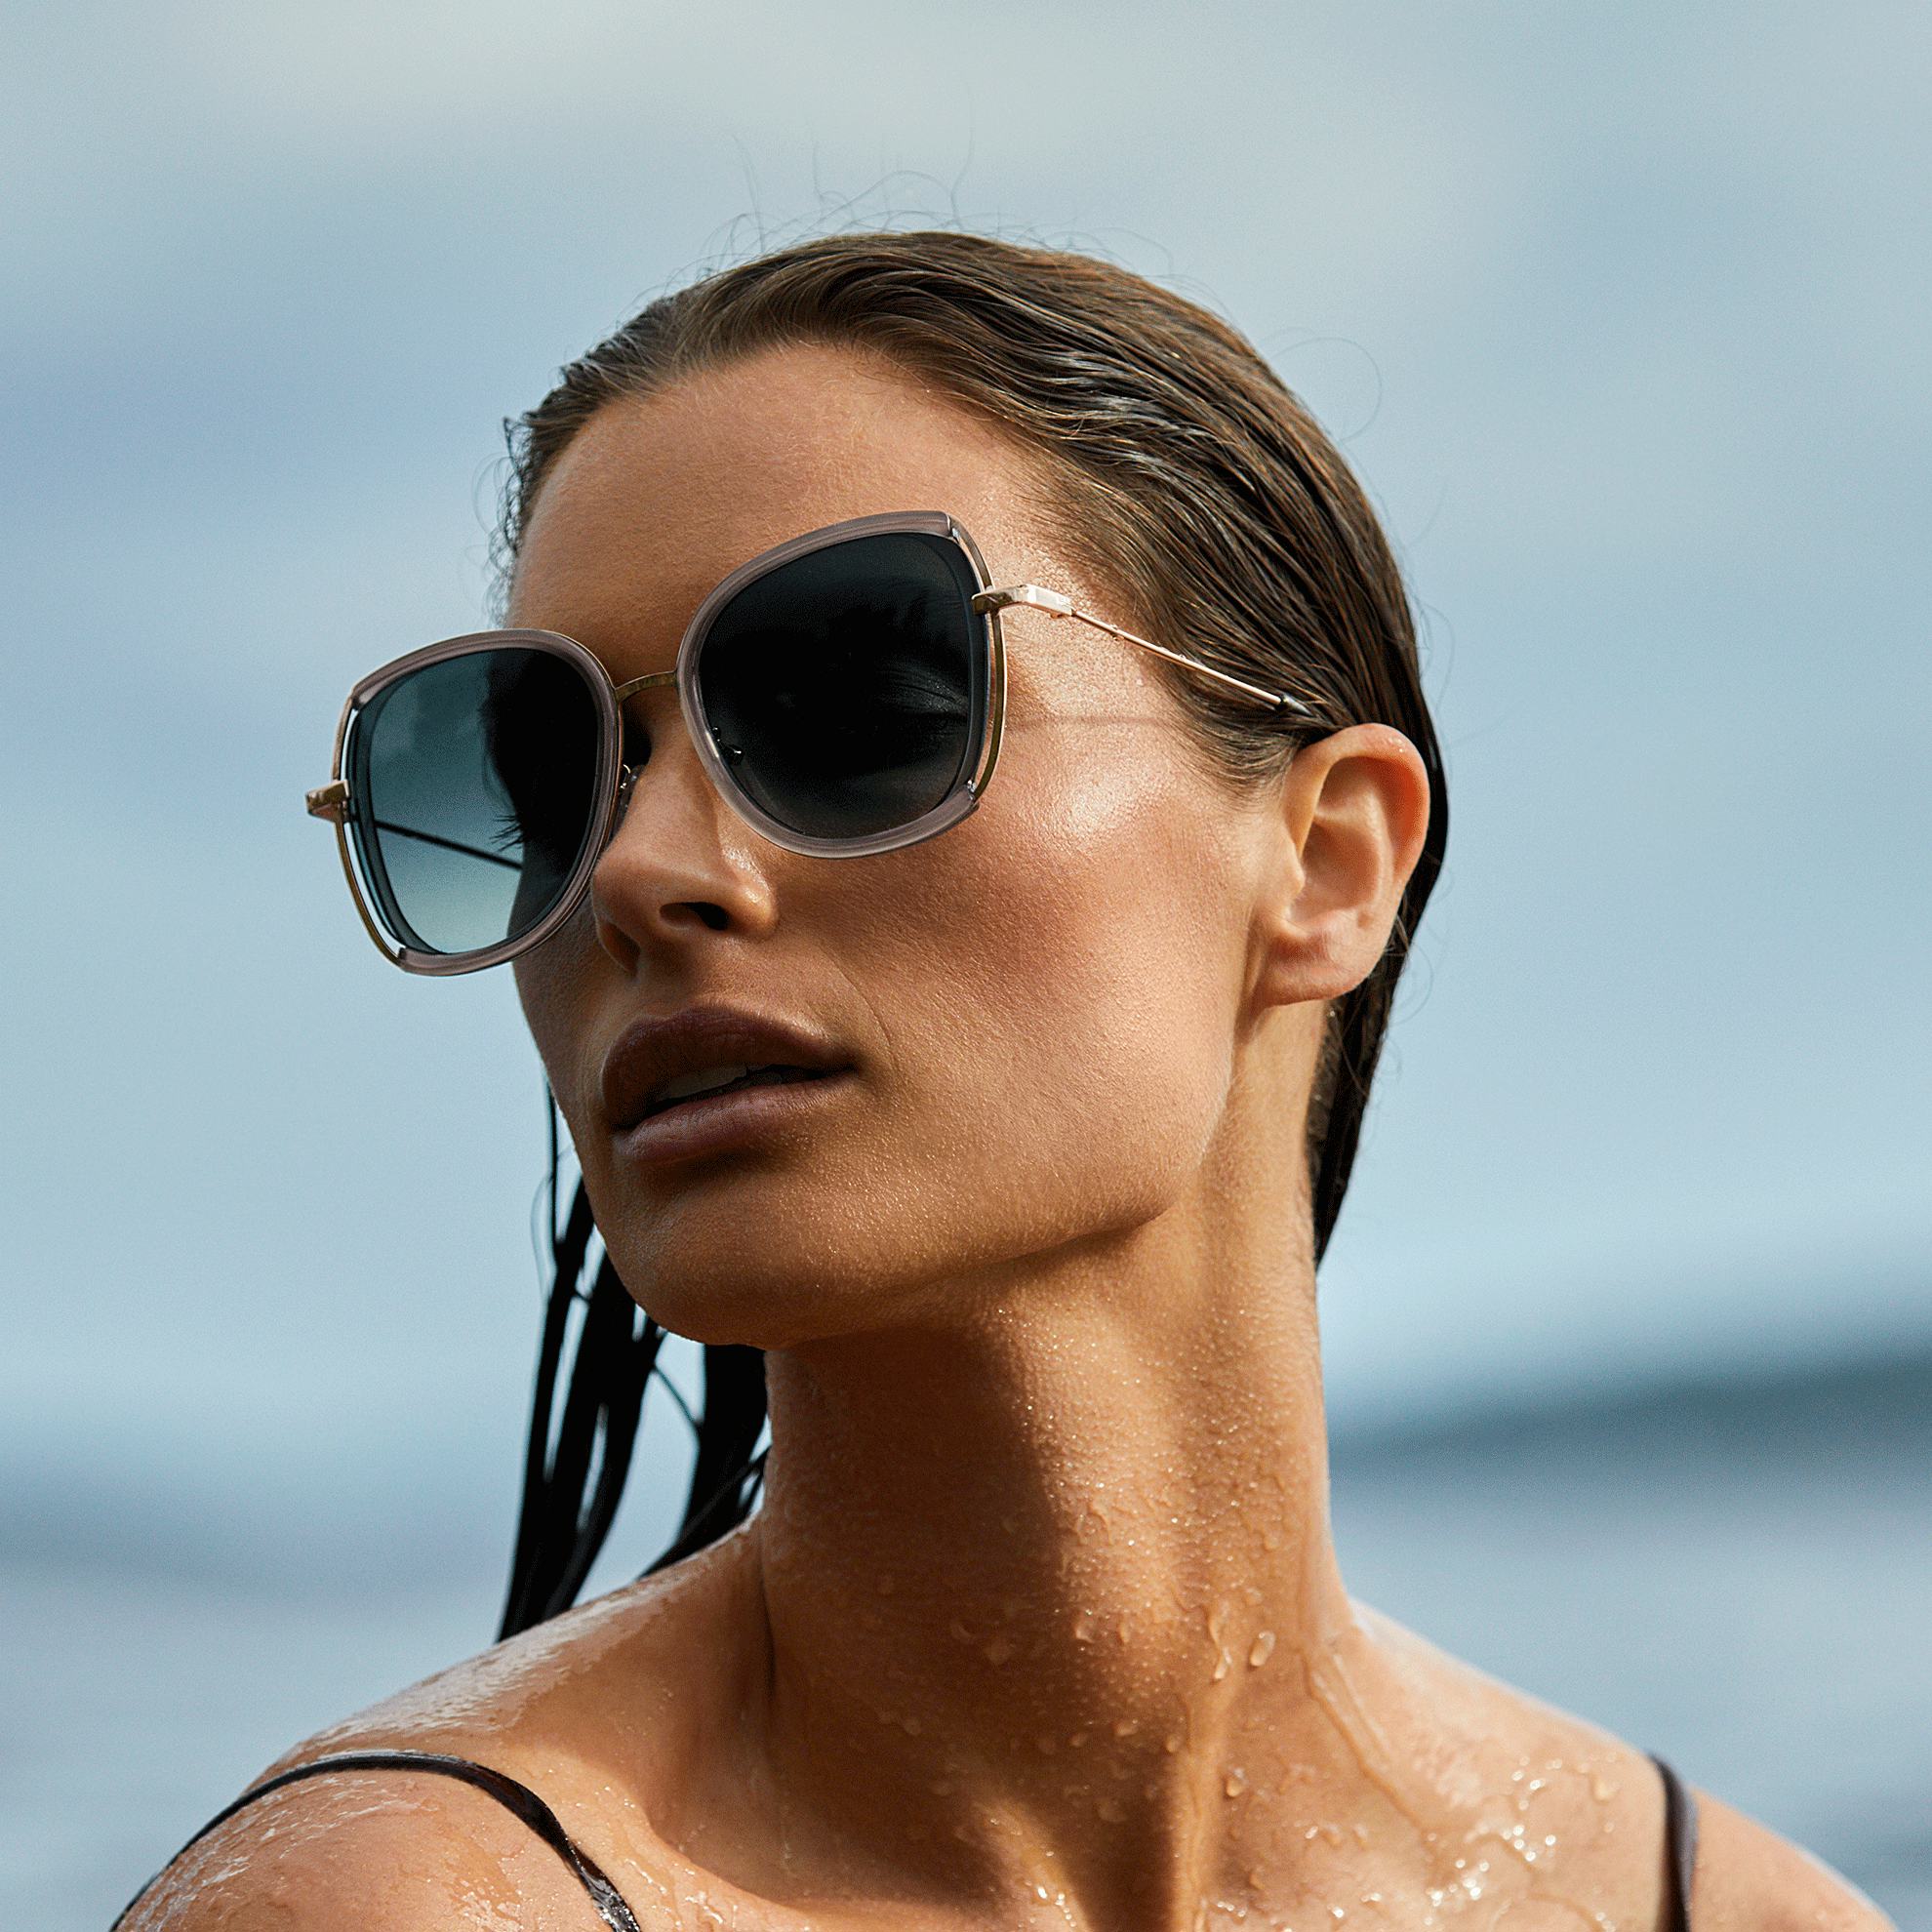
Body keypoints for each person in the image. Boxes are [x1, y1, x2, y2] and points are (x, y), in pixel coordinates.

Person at [119, 229, 1889, 1930]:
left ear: (1328, 862)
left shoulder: (1729, 1918)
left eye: (859, 707)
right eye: (548, 774)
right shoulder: (393, 1907)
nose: (640, 873)